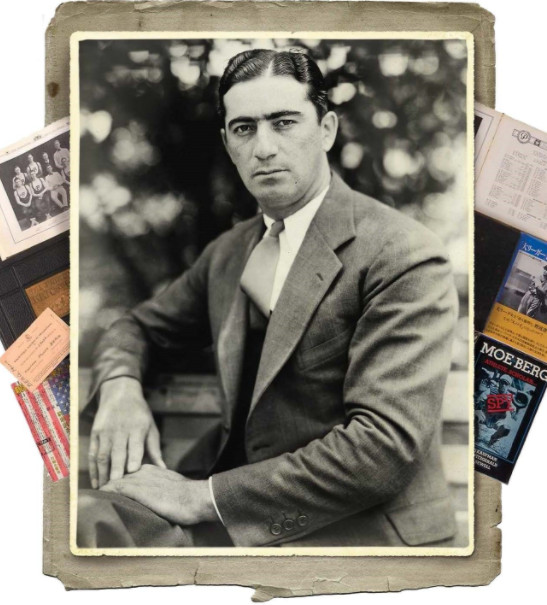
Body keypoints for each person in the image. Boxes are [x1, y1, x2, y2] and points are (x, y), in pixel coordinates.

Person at [78, 49, 459, 549]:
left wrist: (202, 497)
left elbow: (381, 451)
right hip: (241, 520)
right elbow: (137, 327)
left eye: (284, 123)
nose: (263, 147)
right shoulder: (230, 253)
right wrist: (121, 388)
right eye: (244, 128)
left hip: (363, 536)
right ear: (227, 144)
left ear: (326, 130)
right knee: (84, 521)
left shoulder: (401, 253)